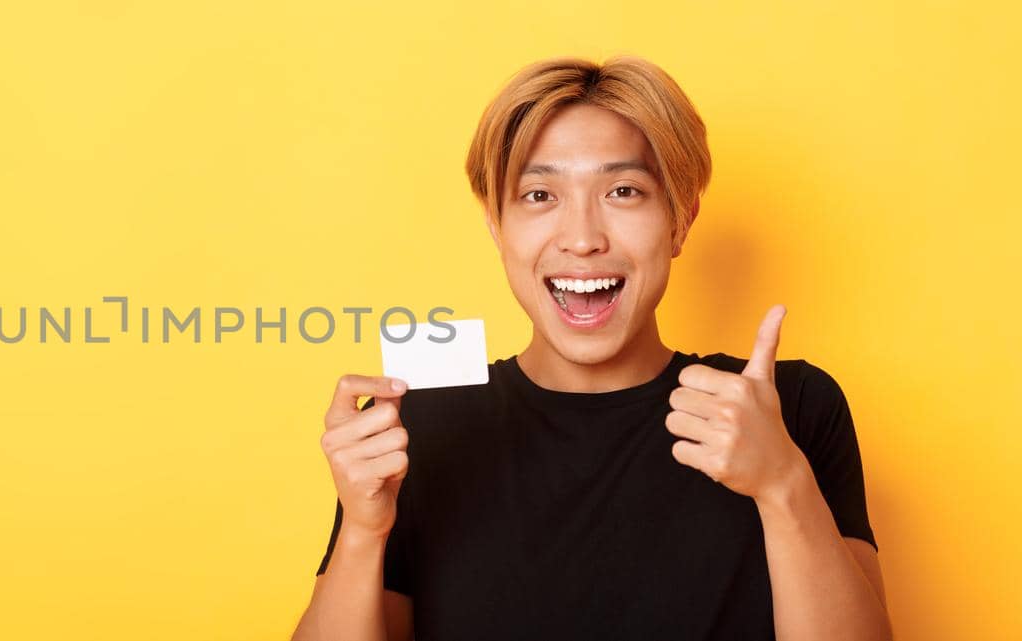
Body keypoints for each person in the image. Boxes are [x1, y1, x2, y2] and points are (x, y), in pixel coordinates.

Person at [290, 56, 891, 641]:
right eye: (539, 196)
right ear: (497, 226)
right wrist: (364, 533)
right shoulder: (420, 422)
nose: (582, 239)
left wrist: (783, 482)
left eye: (624, 190)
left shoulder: (788, 406)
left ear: (680, 220)